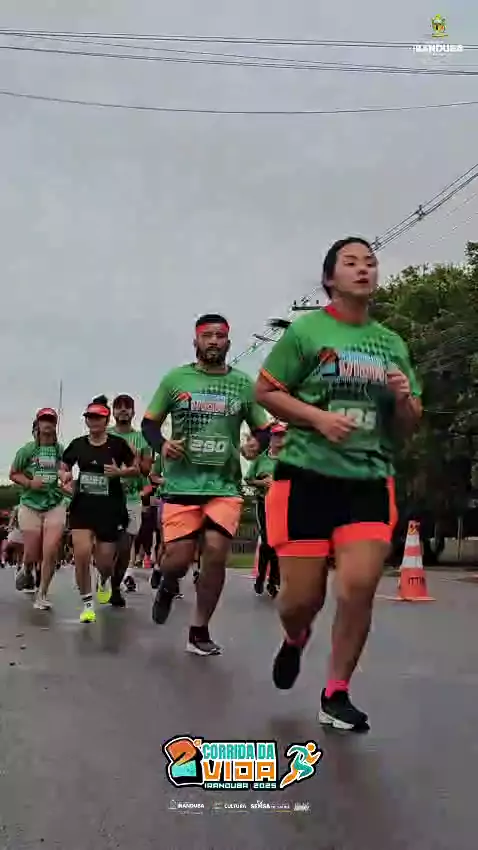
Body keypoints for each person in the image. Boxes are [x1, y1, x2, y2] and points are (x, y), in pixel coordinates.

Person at [255, 237, 422, 731]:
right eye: (351, 262)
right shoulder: (307, 331)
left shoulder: (391, 344)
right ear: (330, 278)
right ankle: (296, 637)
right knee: (300, 601)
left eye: (370, 262)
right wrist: (317, 418)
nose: (363, 269)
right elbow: (266, 392)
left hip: (367, 478)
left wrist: (404, 400)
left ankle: (336, 691)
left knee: (359, 585)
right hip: (306, 476)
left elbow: (407, 427)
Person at [142, 313, 269, 655]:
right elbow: (149, 424)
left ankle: (199, 630)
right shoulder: (176, 379)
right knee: (178, 560)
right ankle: (168, 582)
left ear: (228, 342)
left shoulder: (242, 384)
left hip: (223, 486)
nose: (214, 341)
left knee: (215, 551)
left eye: (220, 336)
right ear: (195, 341)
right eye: (207, 335)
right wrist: (162, 445)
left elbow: (263, 429)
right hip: (182, 485)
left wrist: (256, 444)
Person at [60, 396, 138, 623]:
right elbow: (64, 465)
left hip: (109, 509)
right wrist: (64, 475)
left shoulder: (118, 444)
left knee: (104, 563)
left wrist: (120, 472)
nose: (94, 421)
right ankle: (87, 604)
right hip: (83, 507)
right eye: (90, 417)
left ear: (106, 420)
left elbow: (136, 469)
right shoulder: (78, 444)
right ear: (86, 420)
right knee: (82, 554)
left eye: (98, 417)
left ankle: (104, 580)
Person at [9, 408, 67, 608]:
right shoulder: (27, 450)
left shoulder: (60, 449)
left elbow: (64, 470)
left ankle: (42, 593)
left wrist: (64, 476)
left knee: (50, 549)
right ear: (38, 424)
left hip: (54, 503)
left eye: (51, 420)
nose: (47, 424)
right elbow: (13, 473)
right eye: (44, 420)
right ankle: (26, 568)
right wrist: (30, 483)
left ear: (55, 425)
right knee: (32, 551)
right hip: (30, 504)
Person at [108, 394, 152, 594]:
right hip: (107, 498)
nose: (123, 410)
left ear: (133, 412)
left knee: (125, 547)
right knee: (107, 546)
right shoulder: (105, 435)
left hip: (132, 498)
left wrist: (135, 456)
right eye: (119, 407)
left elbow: (146, 470)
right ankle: (105, 578)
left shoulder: (141, 439)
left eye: (128, 407)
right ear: (113, 412)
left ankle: (117, 584)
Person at [245, 422, 286, 598]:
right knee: (268, 540)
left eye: (282, 436)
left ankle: (273, 580)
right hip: (264, 503)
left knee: (278, 543)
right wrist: (262, 482)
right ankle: (262, 575)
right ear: (271, 438)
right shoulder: (261, 459)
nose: (279, 440)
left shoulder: (289, 459)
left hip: (283, 506)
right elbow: (248, 479)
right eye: (276, 436)